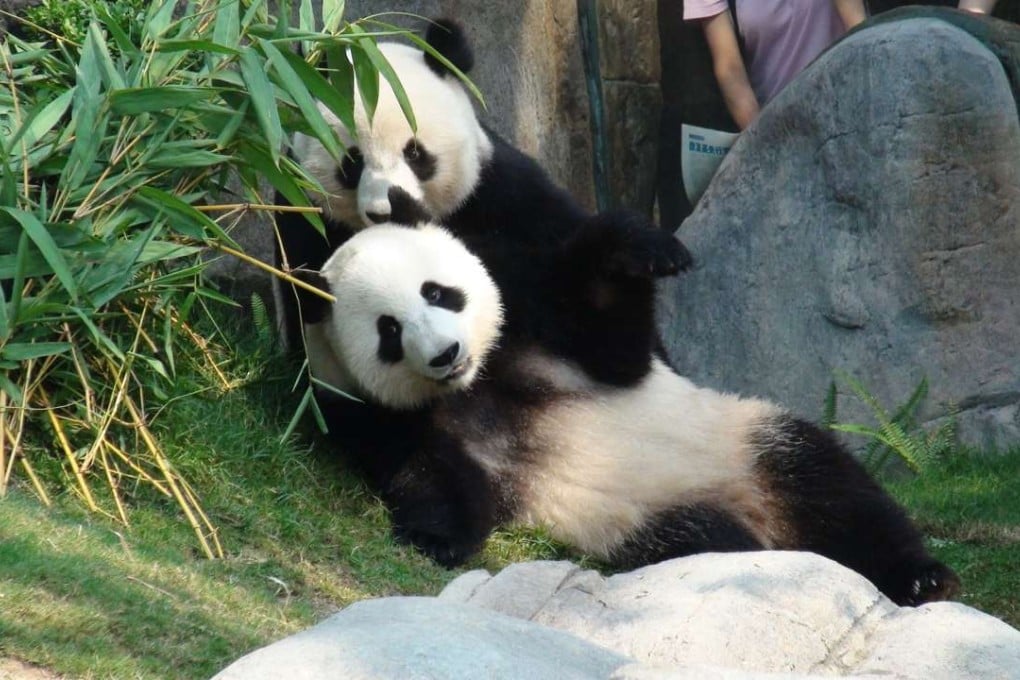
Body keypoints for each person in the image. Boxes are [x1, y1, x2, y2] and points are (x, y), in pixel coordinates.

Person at [684, 1, 867, 130]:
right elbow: (730, 69)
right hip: (774, 121)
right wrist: (763, 143)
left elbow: (859, 31)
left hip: (847, 111)